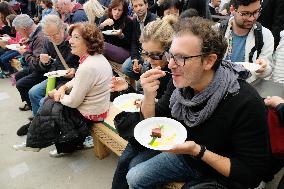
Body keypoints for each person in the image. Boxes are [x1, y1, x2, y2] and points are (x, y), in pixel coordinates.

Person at [124, 17, 271, 188]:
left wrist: (198, 151)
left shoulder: (244, 102)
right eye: (171, 55)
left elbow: (251, 174)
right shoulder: (181, 83)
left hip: (218, 170)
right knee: (133, 175)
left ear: (209, 61)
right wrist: (148, 95)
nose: (171, 64)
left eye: (181, 58)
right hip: (187, 155)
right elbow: (156, 119)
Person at [13, 22, 113, 157]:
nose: (70, 41)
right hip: (97, 106)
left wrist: (56, 94)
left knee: (51, 106)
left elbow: (73, 102)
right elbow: (77, 79)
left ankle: (54, 144)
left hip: (93, 112)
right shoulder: (94, 57)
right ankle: (36, 141)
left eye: (76, 38)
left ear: (89, 41)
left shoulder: (88, 66)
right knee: (49, 104)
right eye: (71, 36)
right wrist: (64, 88)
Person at [111, 15, 176, 189]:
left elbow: (161, 111)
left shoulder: (176, 74)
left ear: (170, 51)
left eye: (154, 55)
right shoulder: (150, 66)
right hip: (150, 125)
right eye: (145, 53)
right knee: (124, 160)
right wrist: (126, 88)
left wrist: (148, 99)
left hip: (167, 132)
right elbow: (143, 99)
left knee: (133, 167)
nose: (147, 60)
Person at [16, 15, 80, 136]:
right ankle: (38, 122)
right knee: (33, 92)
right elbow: (43, 67)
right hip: (56, 76)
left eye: (54, 35)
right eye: (48, 35)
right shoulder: (48, 41)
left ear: (62, 28)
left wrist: (75, 70)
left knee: (45, 100)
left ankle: (47, 128)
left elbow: (86, 62)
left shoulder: (73, 40)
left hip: (73, 79)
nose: (51, 39)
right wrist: (44, 63)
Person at [220, 0, 273, 83]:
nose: (251, 18)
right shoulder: (217, 31)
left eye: (256, 12)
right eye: (245, 13)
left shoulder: (265, 35)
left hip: (249, 88)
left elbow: (268, 70)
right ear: (232, 10)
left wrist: (264, 68)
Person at [13, 14, 46, 112]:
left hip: (43, 70)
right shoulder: (37, 31)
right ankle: (30, 102)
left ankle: (35, 109)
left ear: (24, 29)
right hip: (40, 67)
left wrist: (25, 53)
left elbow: (36, 64)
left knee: (21, 84)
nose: (18, 33)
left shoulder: (40, 38)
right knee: (18, 75)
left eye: (18, 30)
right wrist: (29, 41)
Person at [121, 0, 157, 80]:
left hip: (151, 53)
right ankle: (141, 80)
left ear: (146, 5)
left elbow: (155, 46)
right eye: (135, 6)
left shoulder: (154, 20)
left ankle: (142, 83)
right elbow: (134, 42)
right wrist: (135, 60)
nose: (138, 8)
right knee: (125, 67)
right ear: (133, 8)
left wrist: (142, 62)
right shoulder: (135, 20)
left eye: (141, 5)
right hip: (140, 52)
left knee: (145, 66)